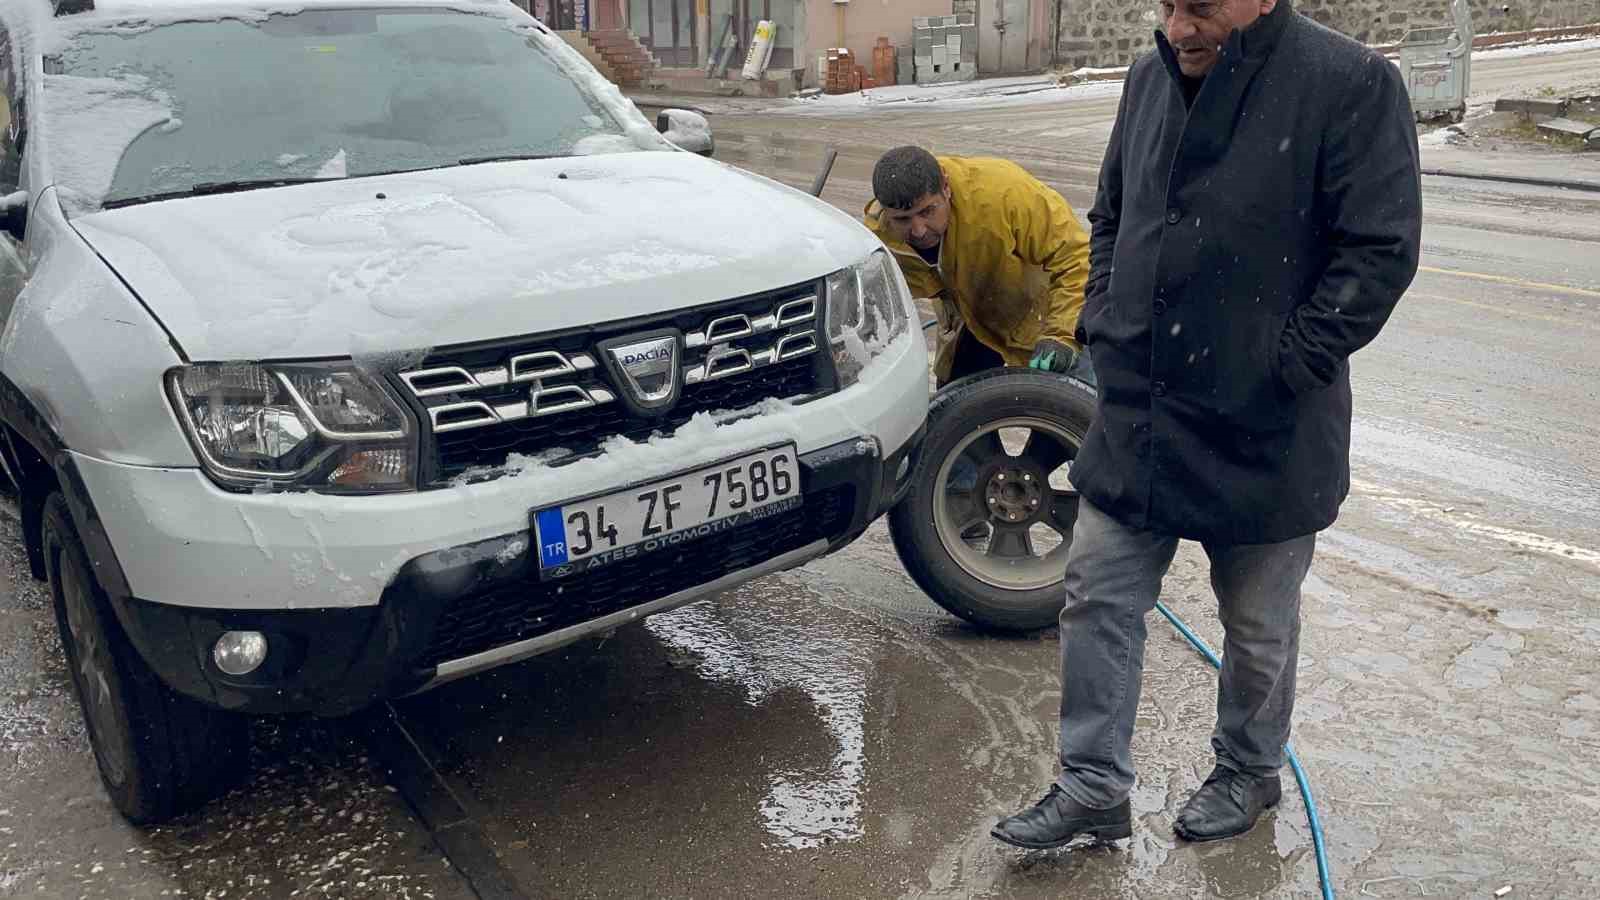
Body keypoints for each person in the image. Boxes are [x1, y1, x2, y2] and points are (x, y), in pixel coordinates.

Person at [991, 0, 1421, 849]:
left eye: (1201, 6)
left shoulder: (1349, 83)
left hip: (1267, 425)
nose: (1180, 25)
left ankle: (1250, 769)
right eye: (1167, 4)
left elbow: (1379, 252)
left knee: (1257, 624)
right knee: (1098, 595)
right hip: (1142, 409)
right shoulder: (1149, 77)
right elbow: (1112, 213)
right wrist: (1107, 318)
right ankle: (1092, 784)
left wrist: (1288, 365)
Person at [864, 147, 1095, 387]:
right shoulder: (877, 238)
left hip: (1047, 311)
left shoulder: (1003, 193)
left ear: (946, 186)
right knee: (955, 405)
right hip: (969, 319)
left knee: (1065, 406)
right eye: (903, 219)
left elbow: (1077, 257)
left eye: (927, 211)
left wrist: (1062, 334)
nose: (919, 230)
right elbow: (868, 306)